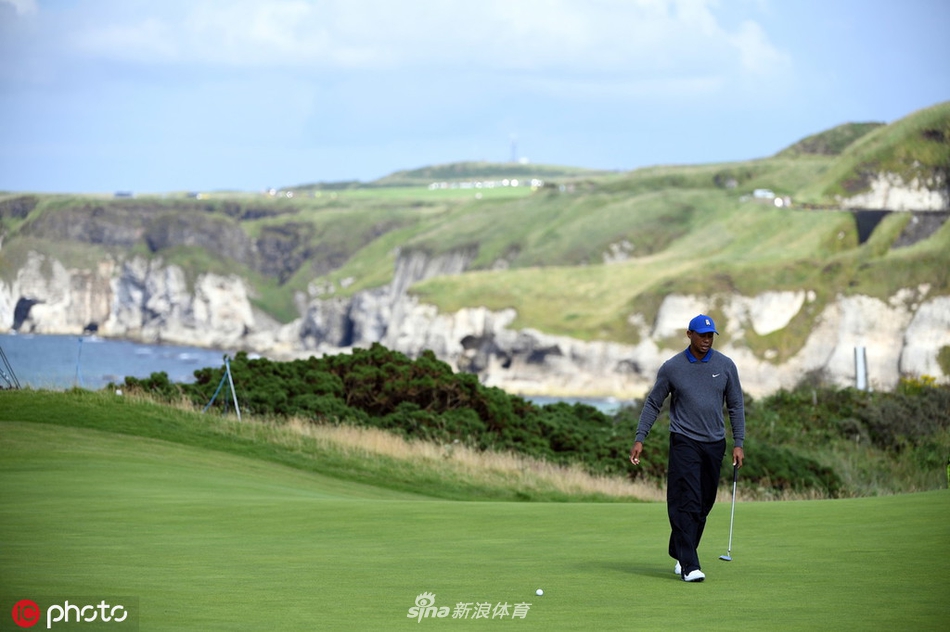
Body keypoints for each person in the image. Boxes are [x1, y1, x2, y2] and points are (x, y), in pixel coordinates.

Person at [629, 314, 745, 583]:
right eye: (702, 335)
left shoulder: (725, 365)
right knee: (686, 501)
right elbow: (653, 403)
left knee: (704, 504)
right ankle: (690, 564)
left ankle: (679, 549)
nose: (706, 340)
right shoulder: (672, 367)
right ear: (689, 334)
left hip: (715, 443)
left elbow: (736, 406)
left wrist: (739, 443)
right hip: (684, 441)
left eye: (710, 336)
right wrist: (640, 437)